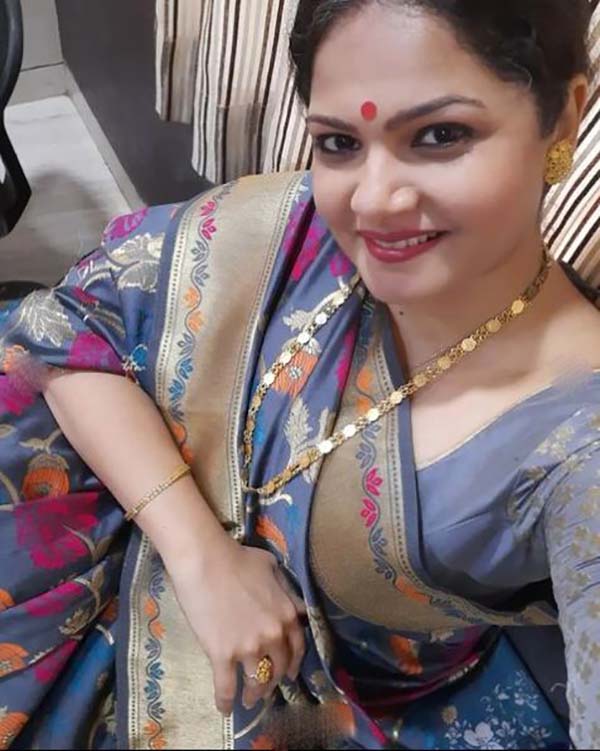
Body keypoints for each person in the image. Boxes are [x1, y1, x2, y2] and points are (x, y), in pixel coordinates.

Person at [1, 1, 599, 748]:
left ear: (563, 117)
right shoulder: (294, 229)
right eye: (340, 142)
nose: (375, 200)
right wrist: (201, 554)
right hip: (109, 545)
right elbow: (64, 329)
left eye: (441, 135)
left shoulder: (577, 446)